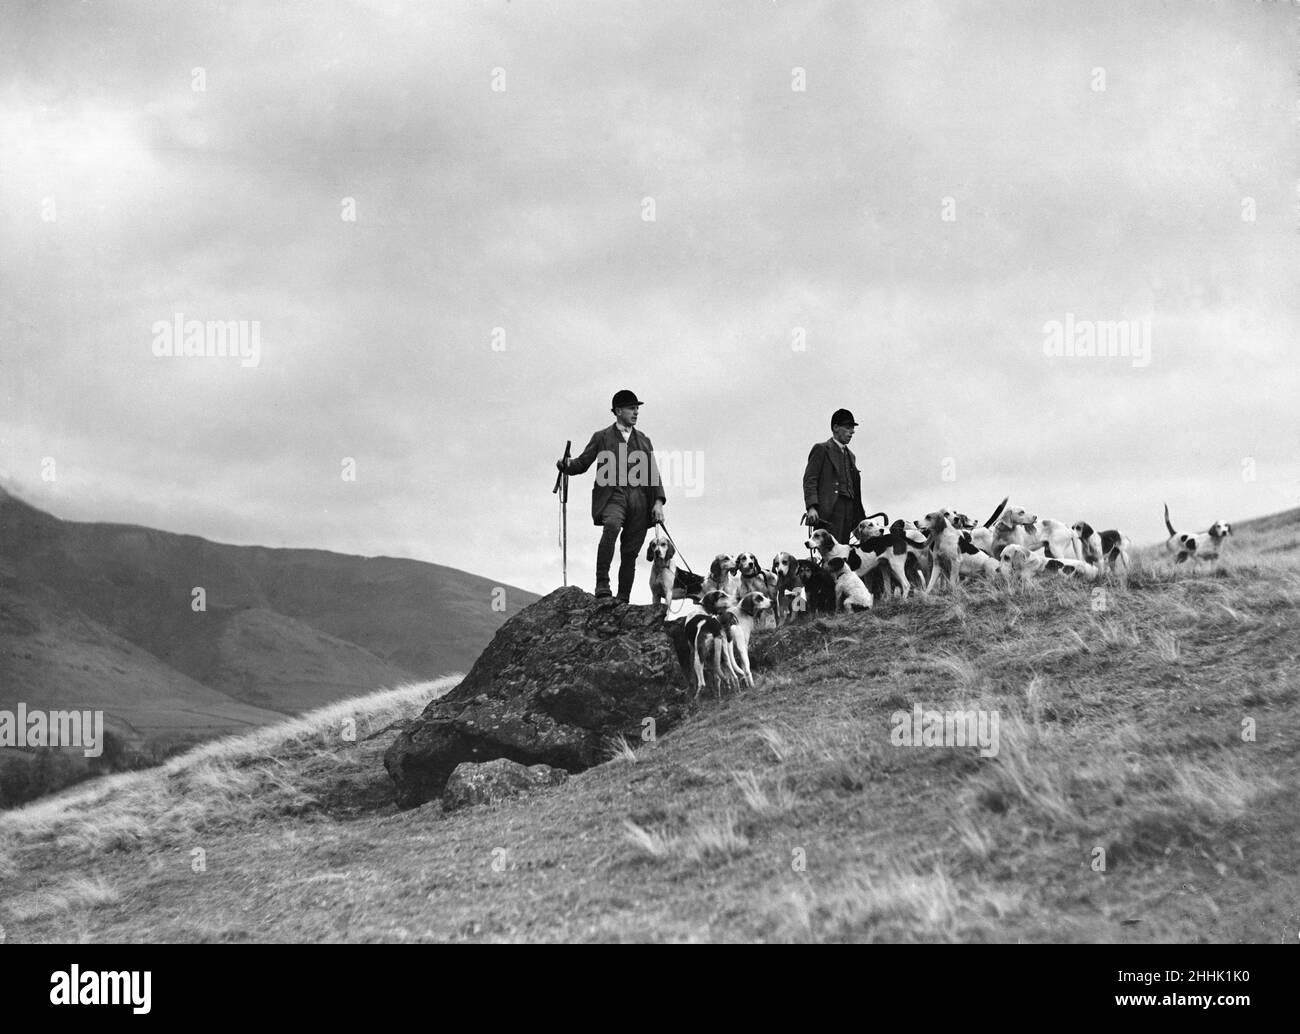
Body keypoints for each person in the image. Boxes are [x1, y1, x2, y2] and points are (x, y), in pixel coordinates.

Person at [557, 389, 666, 601]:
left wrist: (658, 502)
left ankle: (623, 597)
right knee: (612, 526)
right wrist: (566, 465)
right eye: (631, 408)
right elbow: (582, 463)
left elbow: (653, 473)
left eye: (637, 408)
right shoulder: (602, 437)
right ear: (618, 411)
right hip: (613, 495)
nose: (636, 412)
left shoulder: (644, 440)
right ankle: (602, 584)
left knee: (631, 550)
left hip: (640, 499)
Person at [802, 408, 866, 544]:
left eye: (852, 428)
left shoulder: (851, 456)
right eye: (848, 427)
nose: (852, 431)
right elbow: (810, 480)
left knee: (845, 552)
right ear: (836, 427)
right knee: (831, 554)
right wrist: (812, 507)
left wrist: (860, 516)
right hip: (830, 511)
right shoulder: (821, 449)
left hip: (850, 511)